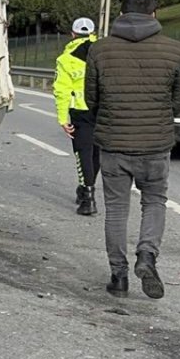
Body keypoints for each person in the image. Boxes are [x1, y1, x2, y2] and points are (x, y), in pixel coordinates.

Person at [84, 0, 180, 300]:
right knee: (154, 201)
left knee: (116, 211)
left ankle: (119, 277)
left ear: (121, 14)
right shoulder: (175, 50)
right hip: (156, 145)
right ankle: (147, 255)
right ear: (154, 14)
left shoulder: (100, 50)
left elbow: (92, 100)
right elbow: (178, 103)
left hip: (114, 145)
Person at [53, 16, 100, 215]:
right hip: (104, 109)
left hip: (81, 111)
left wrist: (63, 118)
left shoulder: (65, 59)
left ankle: (87, 198)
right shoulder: (104, 52)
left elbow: (61, 91)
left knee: (83, 152)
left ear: (72, 34)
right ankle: (86, 188)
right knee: (97, 152)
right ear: (92, 33)